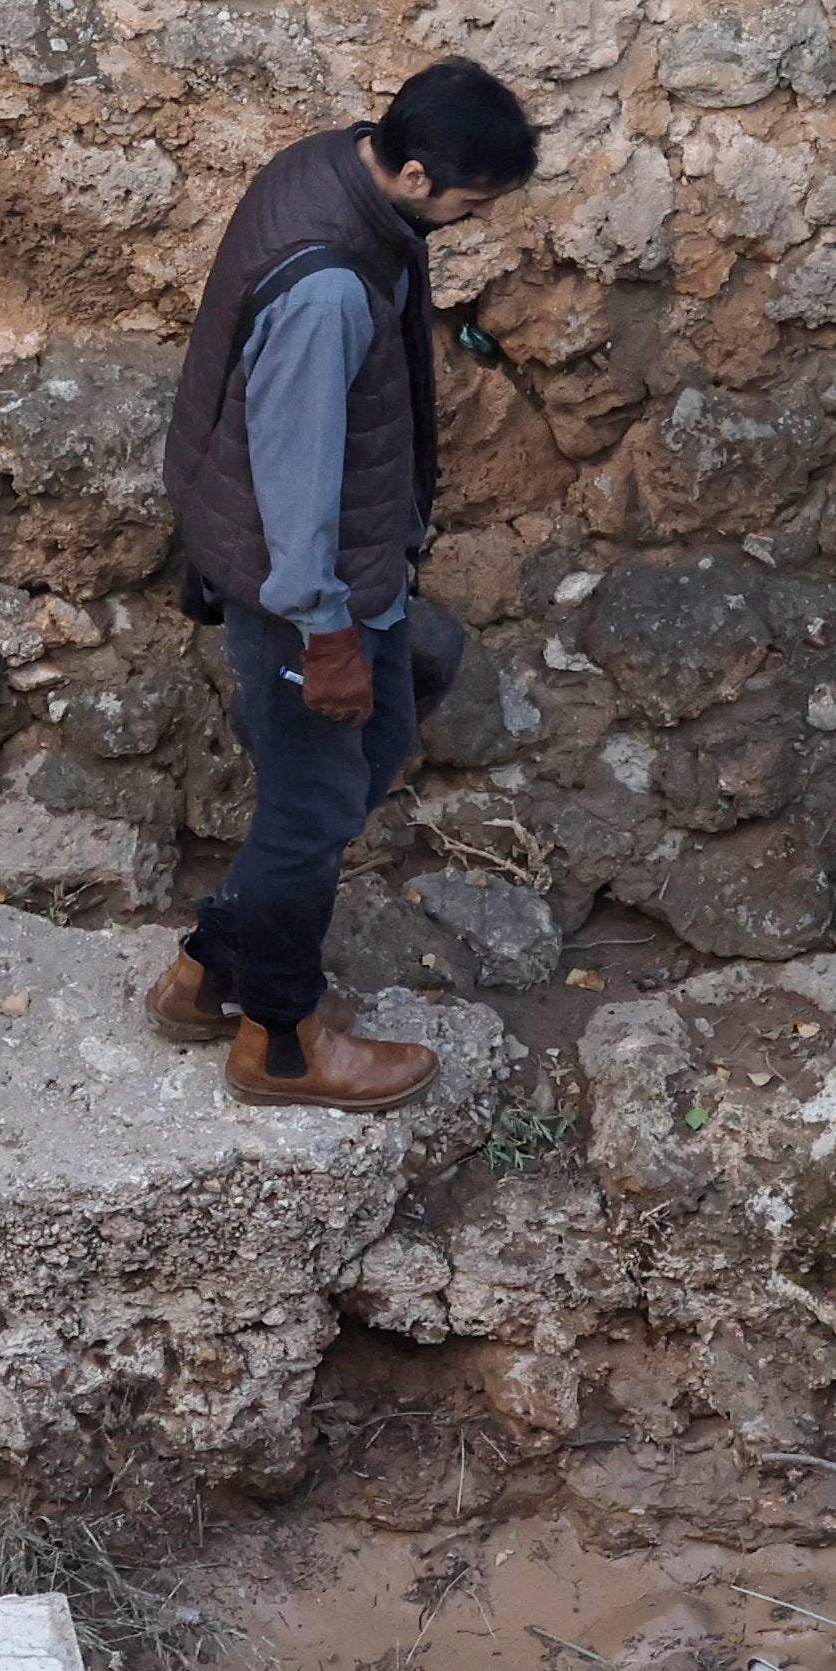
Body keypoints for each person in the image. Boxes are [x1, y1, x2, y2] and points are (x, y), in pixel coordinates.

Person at [152, 57, 540, 1112]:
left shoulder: (335, 169)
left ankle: (211, 969)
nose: (476, 217)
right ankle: (279, 1040)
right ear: (415, 172)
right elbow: (295, 476)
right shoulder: (330, 287)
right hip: (302, 590)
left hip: (342, 574)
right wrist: (322, 632)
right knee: (312, 809)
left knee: (406, 692)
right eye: (471, 200)